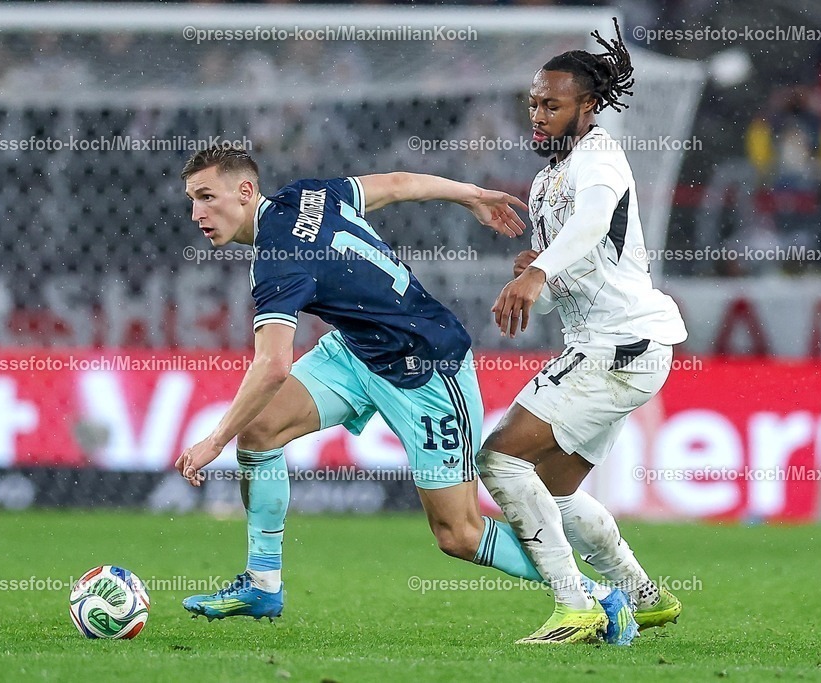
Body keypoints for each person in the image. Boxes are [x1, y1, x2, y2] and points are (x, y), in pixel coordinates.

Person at [172, 144, 633, 644]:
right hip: (358, 353)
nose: (197, 214)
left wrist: (213, 440)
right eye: (191, 201)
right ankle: (262, 584)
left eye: (206, 197)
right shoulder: (307, 196)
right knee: (260, 430)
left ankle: (598, 597)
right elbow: (394, 185)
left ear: (245, 191)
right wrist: (470, 195)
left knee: (458, 535)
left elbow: (273, 365)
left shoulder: (277, 261)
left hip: (428, 370)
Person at [477, 23, 687, 643]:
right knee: (552, 490)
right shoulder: (546, 182)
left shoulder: (601, 157)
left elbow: (595, 220)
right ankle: (642, 595)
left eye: (553, 104)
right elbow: (576, 274)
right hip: (619, 348)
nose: (538, 115)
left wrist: (538, 269)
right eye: (535, 103)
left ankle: (577, 604)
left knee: (498, 460)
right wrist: (537, 272)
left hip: (617, 348)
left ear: (588, 107)